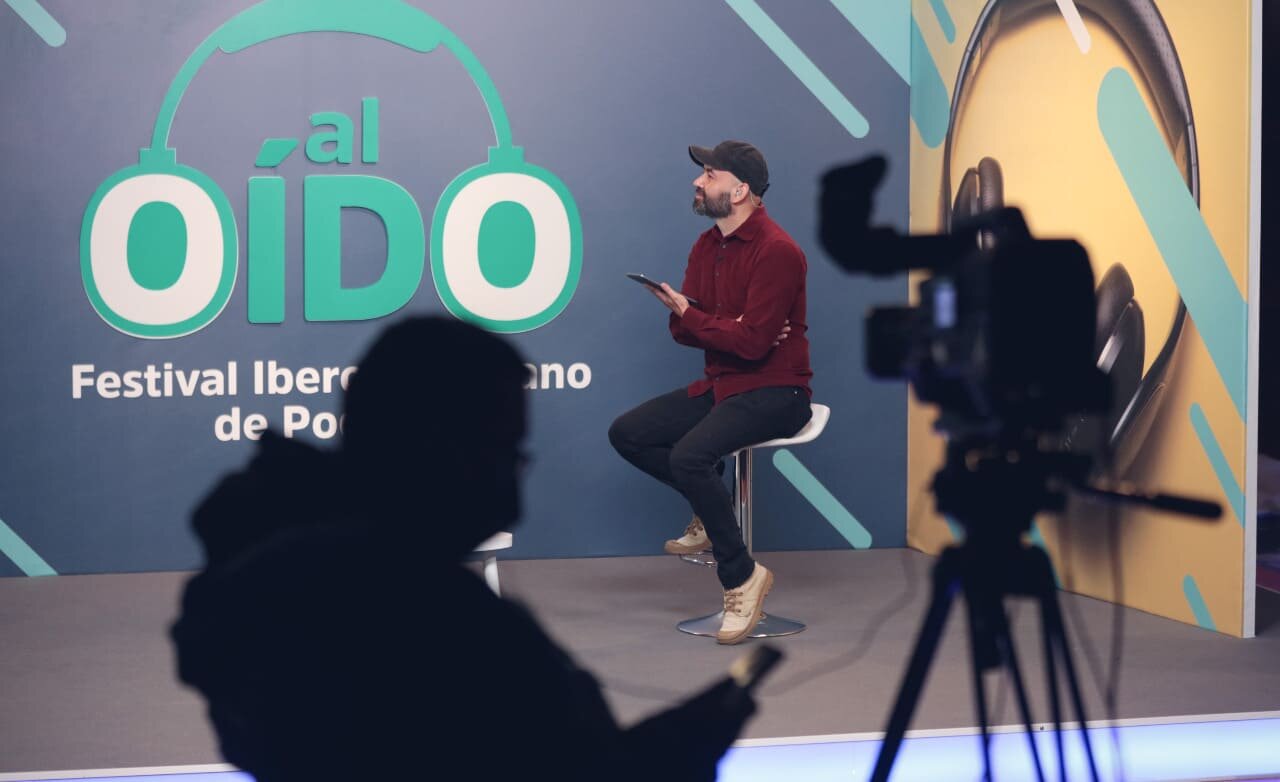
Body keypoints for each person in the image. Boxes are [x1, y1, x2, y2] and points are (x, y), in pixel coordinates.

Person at [171, 316, 757, 782]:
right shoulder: (452, 632)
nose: (513, 484)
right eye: (503, 451)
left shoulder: (264, 585)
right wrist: (683, 749)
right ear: (437, 450)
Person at [609, 140, 814, 645]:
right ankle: (710, 501)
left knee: (688, 456)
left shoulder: (778, 251)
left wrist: (702, 319)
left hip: (778, 392)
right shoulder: (707, 245)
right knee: (628, 433)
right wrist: (710, 322)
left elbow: (752, 344)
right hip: (723, 385)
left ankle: (742, 578)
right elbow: (687, 332)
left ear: (739, 190)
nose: (698, 182)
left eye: (710, 175)